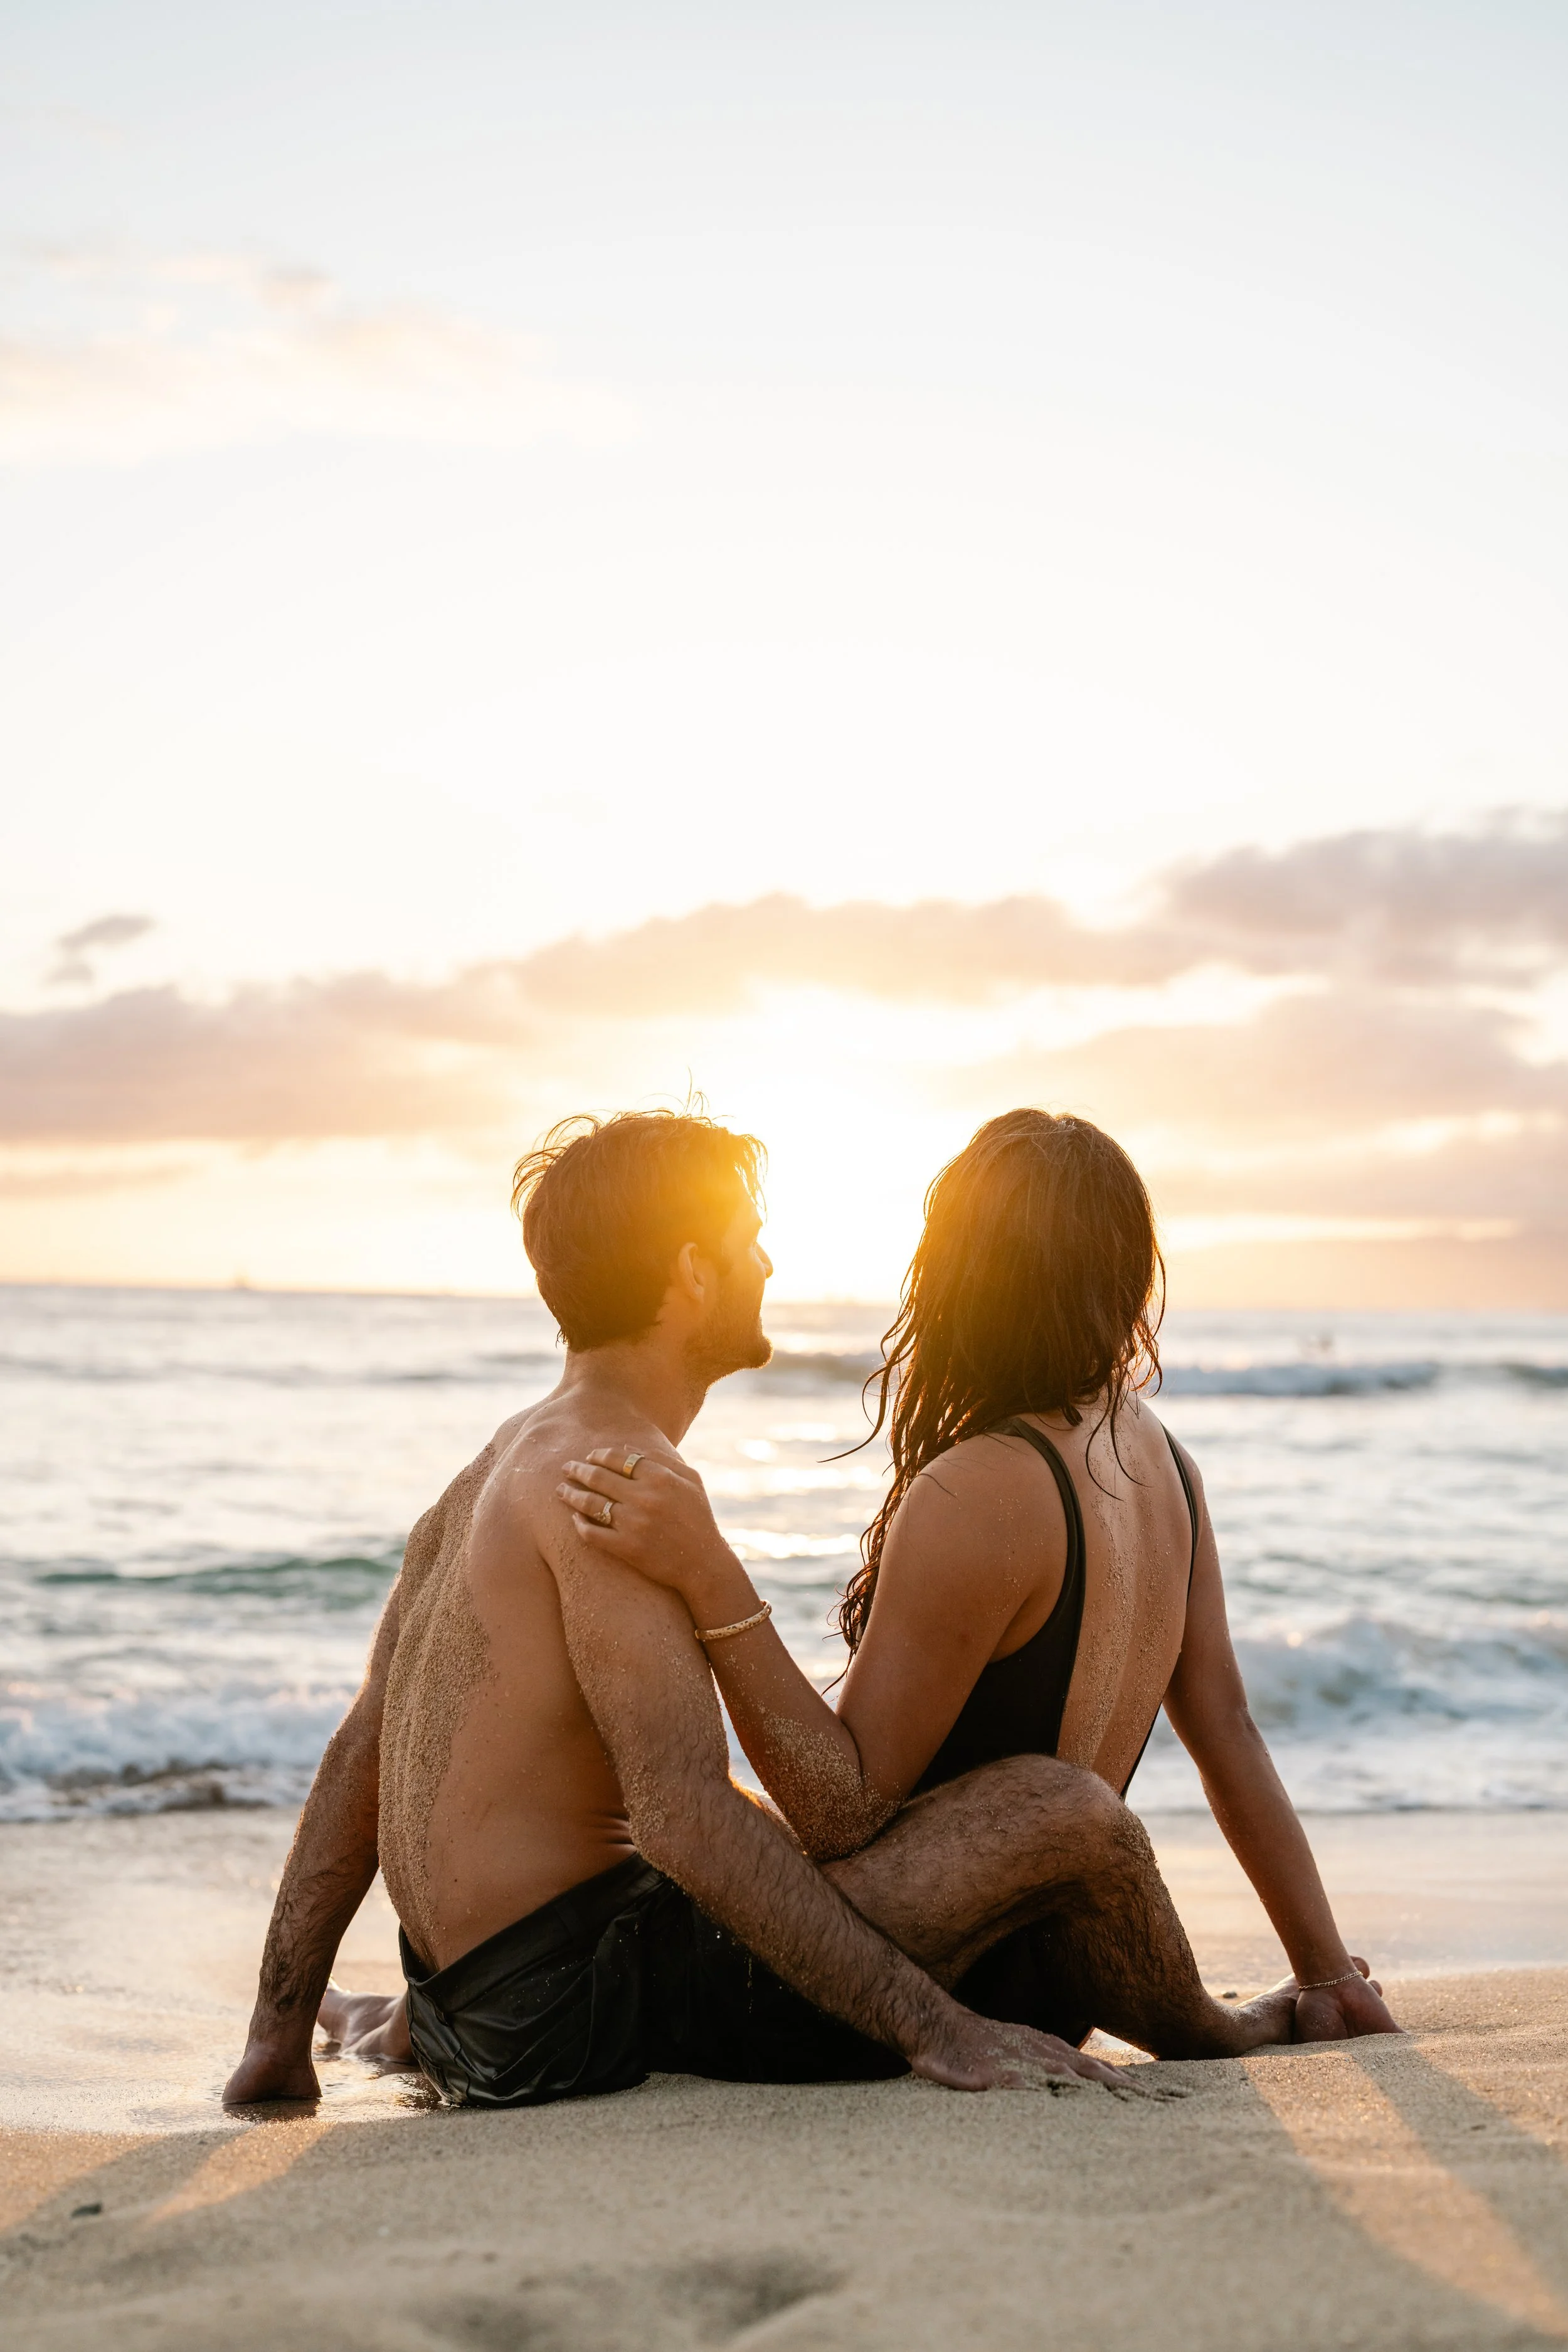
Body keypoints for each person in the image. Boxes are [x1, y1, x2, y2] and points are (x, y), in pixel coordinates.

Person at [224, 1110, 1320, 2117]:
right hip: (562, 2018)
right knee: (1046, 1808)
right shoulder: (620, 1486)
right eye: (749, 1238)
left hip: (485, 1999)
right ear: (694, 1273)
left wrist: (274, 2033)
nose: (769, 1260)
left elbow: (360, 1751)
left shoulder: (488, 1470)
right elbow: (684, 1818)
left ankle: (392, 2021)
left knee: (737, 1833)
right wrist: (939, 2026)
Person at [558, 1109, 1399, 2048]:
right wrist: (1326, 1968)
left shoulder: (980, 1490)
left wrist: (710, 1574)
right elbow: (1230, 1733)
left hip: (910, 1979)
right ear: (1123, 1276)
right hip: (1059, 1993)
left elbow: (842, 1812)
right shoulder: (1168, 1467)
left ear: (965, 1279)